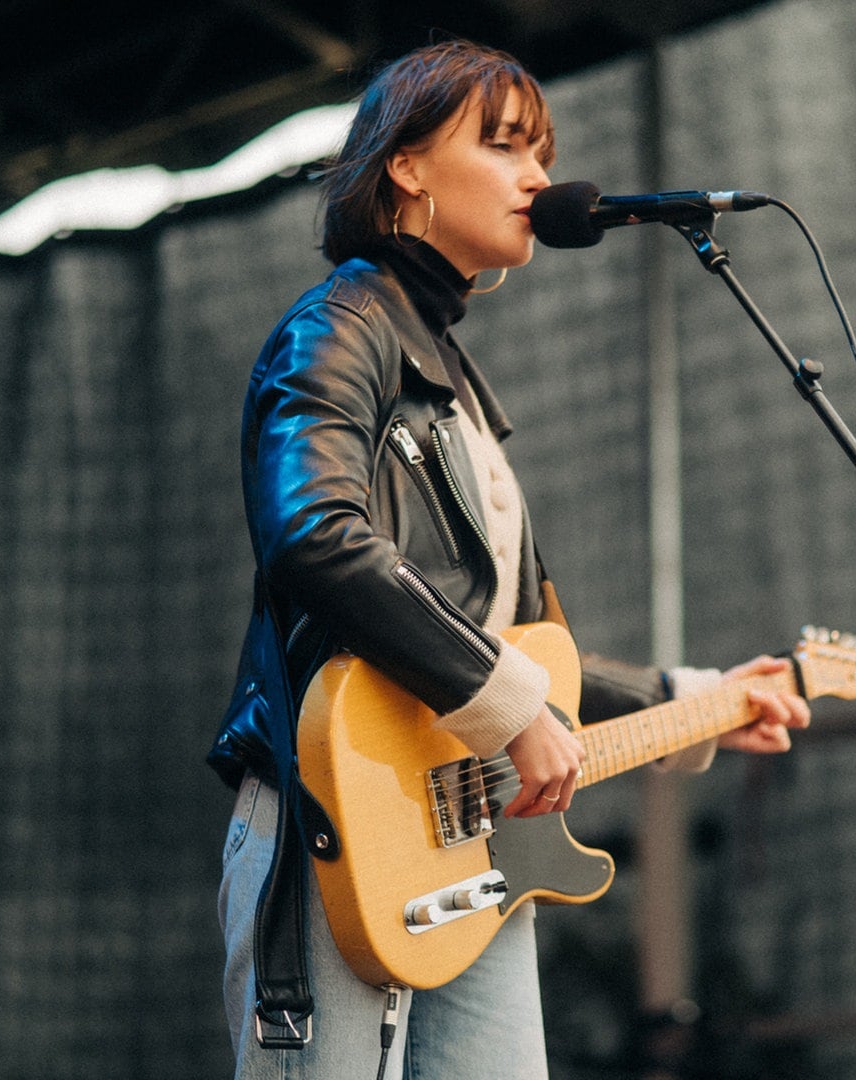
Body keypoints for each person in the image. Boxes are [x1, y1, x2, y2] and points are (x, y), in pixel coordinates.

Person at [206, 39, 810, 1079]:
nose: (539, 176)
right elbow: (316, 536)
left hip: (467, 839)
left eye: (543, 151)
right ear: (405, 165)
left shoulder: (454, 380)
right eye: (503, 145)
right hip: (343, 815)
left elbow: (517, 650)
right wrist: (511, 707)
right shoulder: (341, 330)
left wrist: (697, 699)